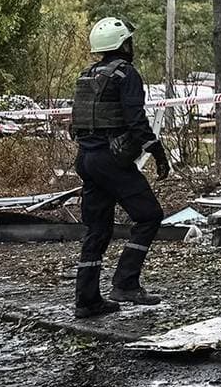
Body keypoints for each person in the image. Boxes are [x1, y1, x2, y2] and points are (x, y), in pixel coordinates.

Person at [68, 17, 171, 318]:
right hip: (111, 161)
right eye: (129, 41)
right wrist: (157, 152)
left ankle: (86, 301)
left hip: (87, 160)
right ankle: (125, 283)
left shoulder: (89, 75)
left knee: (97, 230)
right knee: (149, 215)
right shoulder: (126, 75)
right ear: (123, 44)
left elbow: (78, 123)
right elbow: (136, 119)